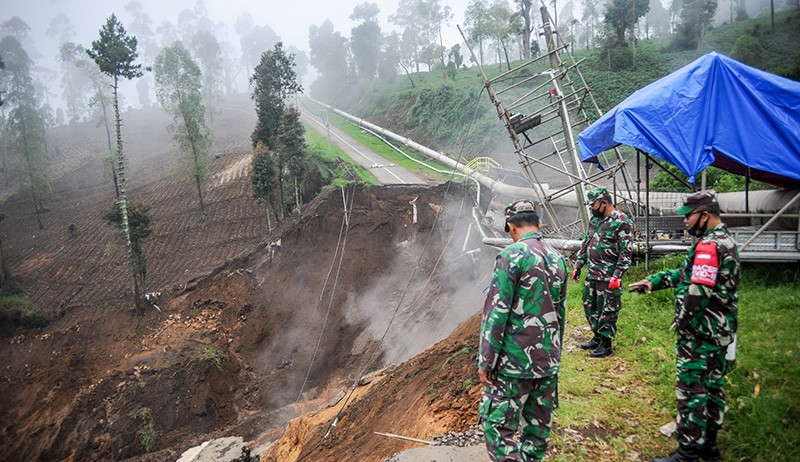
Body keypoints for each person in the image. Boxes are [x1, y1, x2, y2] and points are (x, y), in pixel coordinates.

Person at [629, 190, 739, 462]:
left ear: (704, 215)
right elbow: (687, 274)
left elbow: (698, 290)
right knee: (713, 387)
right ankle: (708, 447)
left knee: (691, 390)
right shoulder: (722, 241)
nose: (685, 222)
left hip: (700, 332)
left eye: (689, 216)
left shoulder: (709, 246)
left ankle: (687, 453)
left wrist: (684, 323)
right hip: (719, 331)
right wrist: (655, 281)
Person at [478, 199, 568, 462]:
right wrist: (555, 354)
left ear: (510, 227)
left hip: (514, 362)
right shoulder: (558, 258)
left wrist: (486, 360)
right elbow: (560, 313)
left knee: (498, 428)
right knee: (537, 432)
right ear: (539, 224)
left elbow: (497, 313)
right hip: (548, 360)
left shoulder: (511, 256)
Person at [572, 187, 634, 358]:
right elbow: (586, 242)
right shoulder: (595, 220)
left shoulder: (622, 221)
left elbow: (626, 251)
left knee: (608, 309)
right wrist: (578, 265)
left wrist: (618, 274)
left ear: (604, 203)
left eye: (593, 204)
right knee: (589, 305)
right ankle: (597, 337)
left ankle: (606, 344)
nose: (591, 208)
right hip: (592, 272)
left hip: (609, 276)